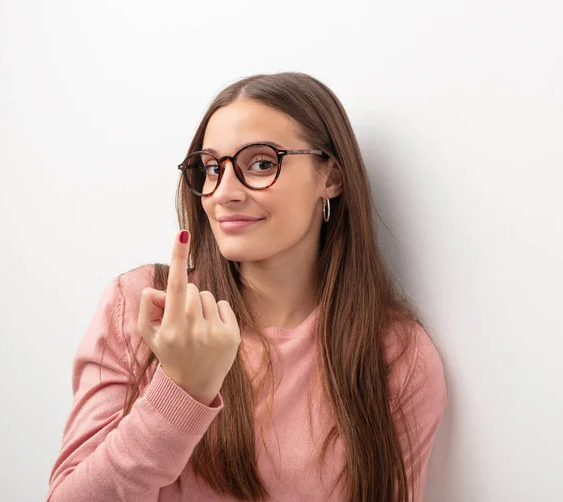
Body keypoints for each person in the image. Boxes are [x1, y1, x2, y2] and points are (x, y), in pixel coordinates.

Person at [47, 72, 447, 502]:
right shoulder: (145, 307)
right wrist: (181, 391)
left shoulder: (396, 355)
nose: (225, 193)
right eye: (212, 168)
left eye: (261, 163)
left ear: (330, 176)